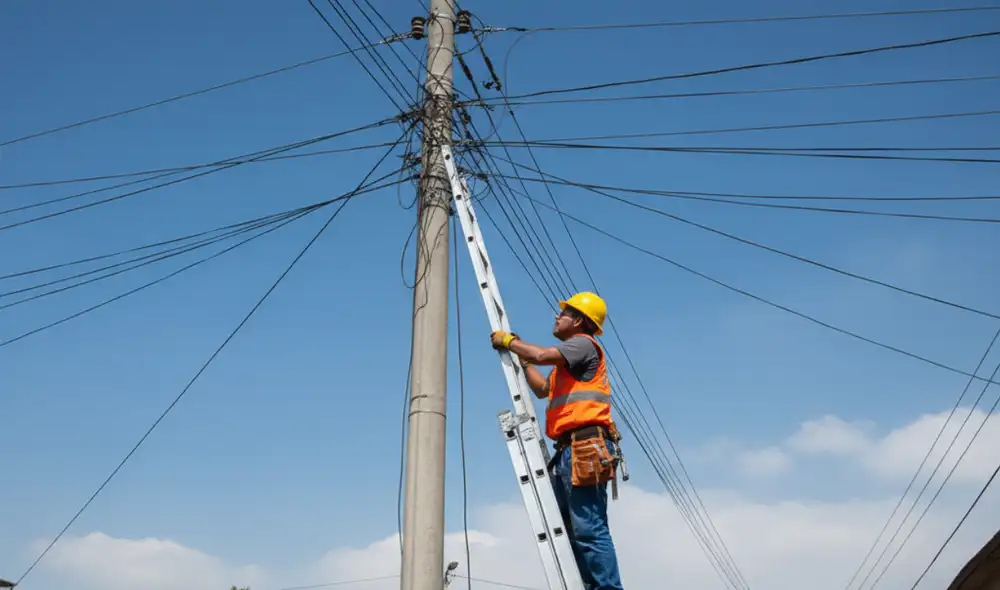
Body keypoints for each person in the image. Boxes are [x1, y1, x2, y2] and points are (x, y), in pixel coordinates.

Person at [489, 291, 625, 590]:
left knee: (589, 529)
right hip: (570, 450)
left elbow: (542, 355)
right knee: (571, 529)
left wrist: (510, 342)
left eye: (563, 314)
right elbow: (541, 389)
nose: (556, 317)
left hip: (585, 447)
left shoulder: (582, 344)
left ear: (578, 321)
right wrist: (523, 361)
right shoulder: (569, 367)